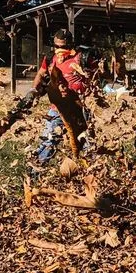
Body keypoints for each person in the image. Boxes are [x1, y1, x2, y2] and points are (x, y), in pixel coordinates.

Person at [30, 29, 92, 169]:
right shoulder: (51, 57)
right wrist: (33, 90)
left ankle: (90, 175)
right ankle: (34, 173)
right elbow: (41, 73)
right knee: (49, 141)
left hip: (78, 108)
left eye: (62, 46)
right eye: (56, 46)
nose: (59, 49)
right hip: (57, 108)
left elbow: (95, 77)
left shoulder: (81, 57)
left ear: (70, 45)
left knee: (87, 144)